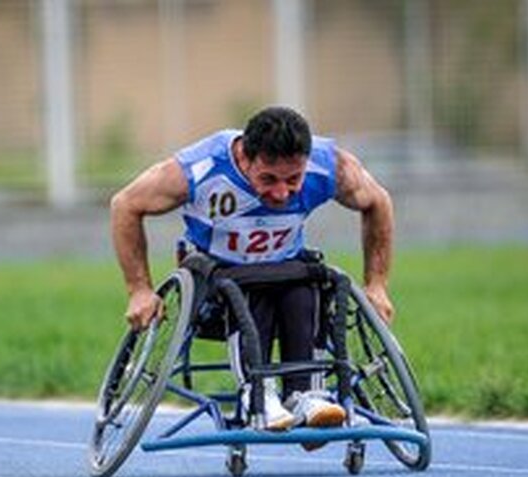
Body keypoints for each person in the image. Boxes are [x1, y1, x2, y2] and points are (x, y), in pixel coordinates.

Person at [109, 105, 395, 431]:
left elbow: (378, 202)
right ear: (244, 158)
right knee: (248, 287)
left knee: (310, 283)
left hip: (286, 269)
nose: (281, 192)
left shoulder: (330, 166)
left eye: (293, 179)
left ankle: (306, 395)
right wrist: (139, 290)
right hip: (217, 280)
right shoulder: (199, 169)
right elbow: (125, 205)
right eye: (268, 179)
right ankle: (258, 393)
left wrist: (377, 284)